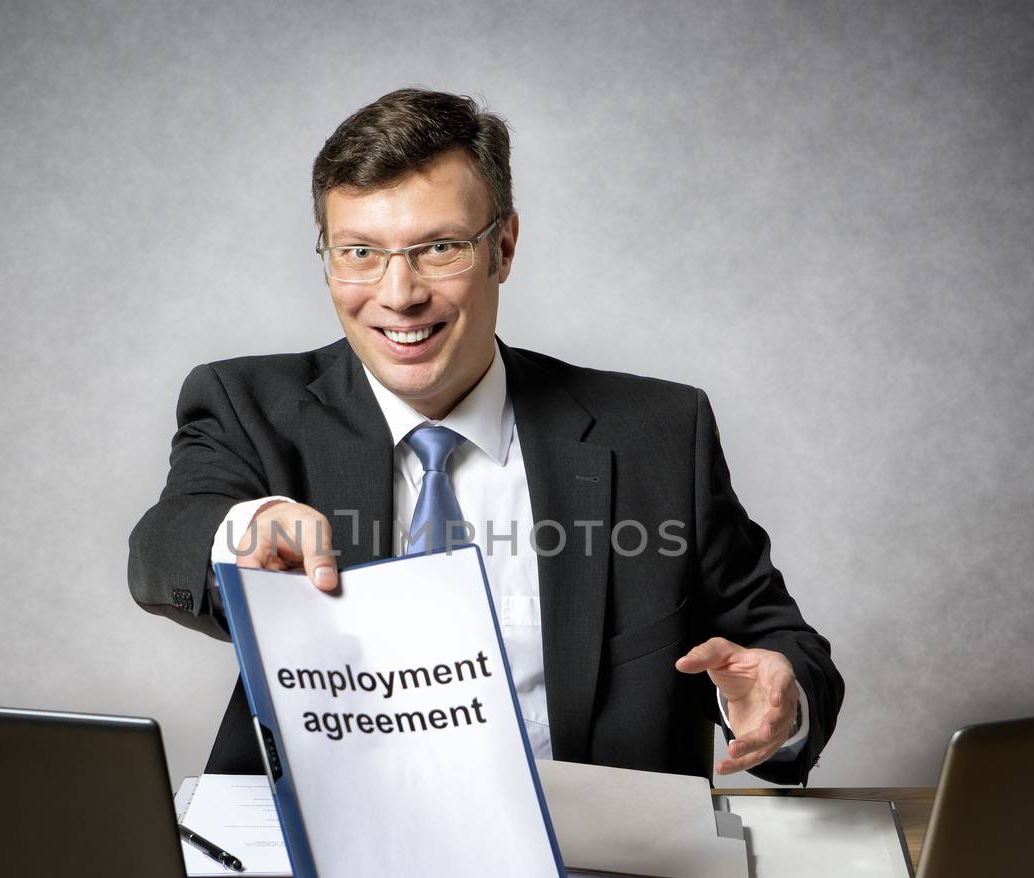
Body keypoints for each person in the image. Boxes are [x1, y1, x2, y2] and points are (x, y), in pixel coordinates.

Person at [129, 89, 843, 785]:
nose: (398, 292)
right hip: (319, 866)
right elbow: (164, 543)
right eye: (359, 252)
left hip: (593, 874)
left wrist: (781, 701)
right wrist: (246, 529)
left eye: (438, 248)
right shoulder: (248, 405)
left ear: (502, 247)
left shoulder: (659, 432)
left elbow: (783, 646)